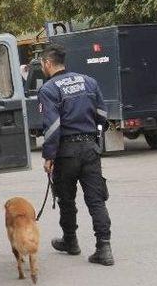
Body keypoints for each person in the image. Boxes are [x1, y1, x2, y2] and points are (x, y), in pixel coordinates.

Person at [38, 44, 114, 266]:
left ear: (48, 63)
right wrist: (95, 140)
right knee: (96, 200)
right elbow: (102, 116)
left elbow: (52, 127)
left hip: (66, 153)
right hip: (90, 149)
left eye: (42, 63)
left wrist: (48, 156)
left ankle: (70, 241)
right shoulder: (89, 82)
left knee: (66, 199)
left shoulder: (49, 89)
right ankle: (104, 248)